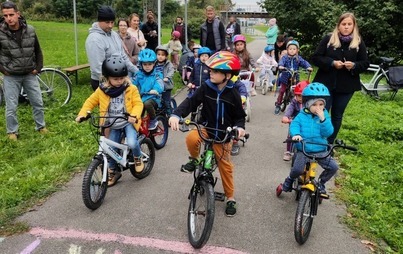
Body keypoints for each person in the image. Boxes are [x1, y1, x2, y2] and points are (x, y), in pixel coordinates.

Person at [168, 51, 246, 217]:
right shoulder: (206, 87)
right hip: (206, 127)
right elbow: (190, 102)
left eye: (215, 71)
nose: (209, 72)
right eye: (210, 69)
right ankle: (195, 160)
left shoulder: (233, 94)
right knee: (191, 138)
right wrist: (176, 114)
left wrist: (239, 128)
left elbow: (240, 117)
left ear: (227, 75)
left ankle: (230, 198)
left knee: (225, 166)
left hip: (224, 134)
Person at [75, 56, 144, 187]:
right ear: (107, 78)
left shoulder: (131, 88)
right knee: (110, 148)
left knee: (132, 142)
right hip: (113, 124)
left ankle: (138, 158)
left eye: (122, 78)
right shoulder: (102, 90)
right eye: (115, 79)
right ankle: (114, 171)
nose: (119, 81)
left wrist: (134, 115)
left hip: (128, 122)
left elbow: (138, 104)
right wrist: (83, 114)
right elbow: (90, 102)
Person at [311, 12, 369, 144]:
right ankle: (315, 141)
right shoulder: (329, 39)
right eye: (344, 24)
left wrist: (354, 65)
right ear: (338, 26)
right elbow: (316, 57)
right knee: (321, 113)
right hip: (325, 85)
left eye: (349, 24)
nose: (346, 27)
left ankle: (328, 143)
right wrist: (332, 63)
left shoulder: (358, 42)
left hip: (346, 87)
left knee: (337, 115)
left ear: (354, 26)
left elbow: (365, 63)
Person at [280, 82, 337, 198]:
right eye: (315, 105)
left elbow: (329, 132)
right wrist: (296, 134)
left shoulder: (325, 116)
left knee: (333, 167)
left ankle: (321, 183)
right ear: (307, 104)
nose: (319, 108)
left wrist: (323, 120)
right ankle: (290, 179)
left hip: (320, 149)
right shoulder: (301, 115)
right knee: (297, 170)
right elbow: (294, 125)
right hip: (304, 148)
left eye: (321, 104)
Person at [0, 1, 47, 140]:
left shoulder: (30, 30)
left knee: (38, 102)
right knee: (11, 106)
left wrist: (37, 68)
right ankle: (12, 132)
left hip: (29, 74)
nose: (9, 18)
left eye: (11, 14)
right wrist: (4, 71)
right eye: (5, 15)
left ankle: (41, 126)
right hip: (11, 76)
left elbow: (38, 51)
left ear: (18, 14)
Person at [85, 6, 138, 91]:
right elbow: (97, 68)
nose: (110, 25)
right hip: (103, 82)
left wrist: (136, 71)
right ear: (99, 21)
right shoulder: (94, 39)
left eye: (112, 22)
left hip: (118, 80)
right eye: (107, 22)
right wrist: (114, 82)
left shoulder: (114, 35)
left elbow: (123, 57)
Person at [274, 40, 313, 115]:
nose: (292, 51)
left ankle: (297, 106)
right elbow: (281, 62)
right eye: (290, 49)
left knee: (297, 91)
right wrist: (281, 66)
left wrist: (308, 67)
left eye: (294, 49)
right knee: (282, 90)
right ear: (287, 49)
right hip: (285, 77)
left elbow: (304, 62)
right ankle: (278, 104)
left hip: (295, 77)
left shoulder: (298, 58)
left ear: (297, 50)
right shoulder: (285, 57)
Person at [131, 49, 164, 130]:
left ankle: (153, 120)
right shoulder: (138, 75)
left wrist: (156, 89)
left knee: (147, 104)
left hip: (154, 98)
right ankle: (138, 126)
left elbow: (159, 83)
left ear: (154, 64)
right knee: (137, 111)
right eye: (145, 64)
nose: (147, 66)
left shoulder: (157, 75)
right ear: (141, 64)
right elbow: (132, 83)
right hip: (141, 97)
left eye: (150, 64)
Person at [281, 80, 309, 161]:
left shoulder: (311, 104)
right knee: (291, 135)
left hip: (307, 122)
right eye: (298, 96)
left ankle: (307, 150)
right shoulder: (294, 101)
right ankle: (288, 151)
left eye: (303, 96)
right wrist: (286, 116)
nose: (300, 98)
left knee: (308, 135)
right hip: (295, 121)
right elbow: (290, 109)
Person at [155, 45, 175, 115]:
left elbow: (171, 71)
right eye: (158, 54)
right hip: (156, 86)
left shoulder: (169, 64)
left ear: (166, 56)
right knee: (156, 101)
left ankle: (170, 115)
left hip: (166, 86)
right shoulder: (154, 64)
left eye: (163, 55)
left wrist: (167, 77)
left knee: (167, 102)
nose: (160, 56)